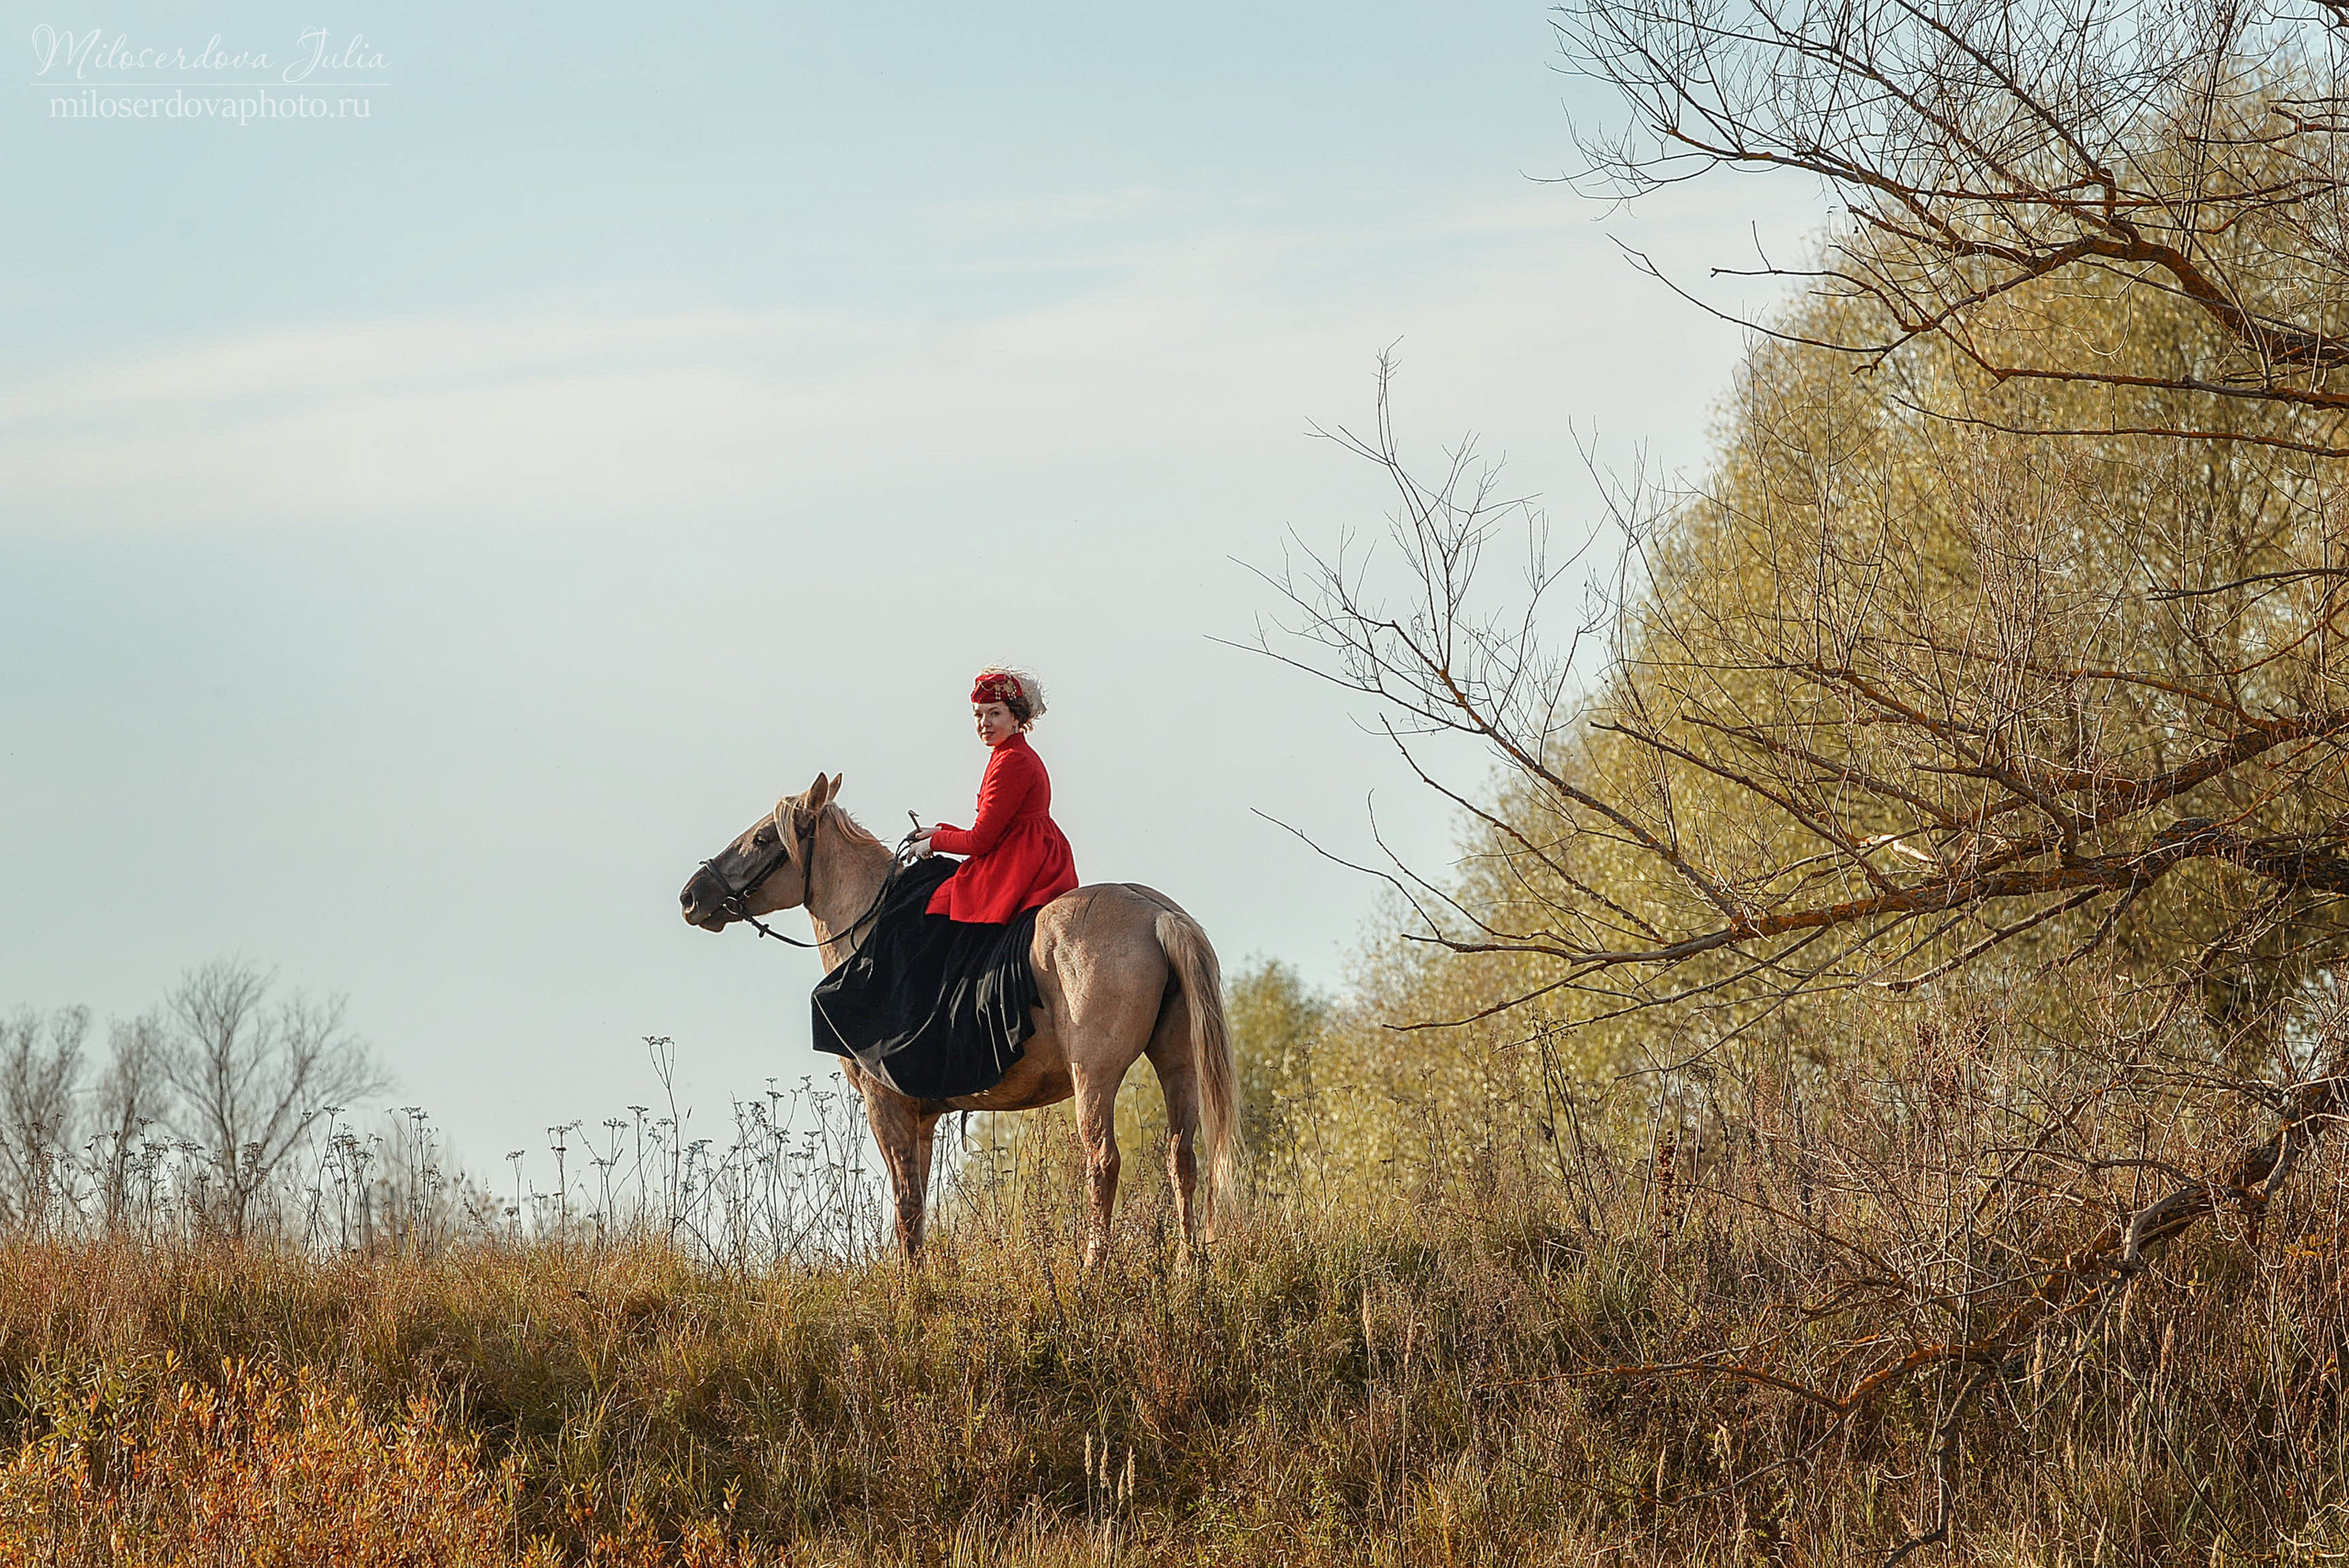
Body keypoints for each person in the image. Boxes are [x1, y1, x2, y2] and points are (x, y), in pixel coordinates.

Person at [910, 667, 1079, 922]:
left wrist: (934, 843)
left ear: (1015, 718)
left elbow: (979, 842)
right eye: (978, 715)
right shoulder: (1009, 754)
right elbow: (992, 830)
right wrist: (939, 831)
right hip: (1026, 853)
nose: (984, 723)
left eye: (995, 713)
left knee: (928, 914)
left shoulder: (1012, 761)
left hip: (1017, 865)